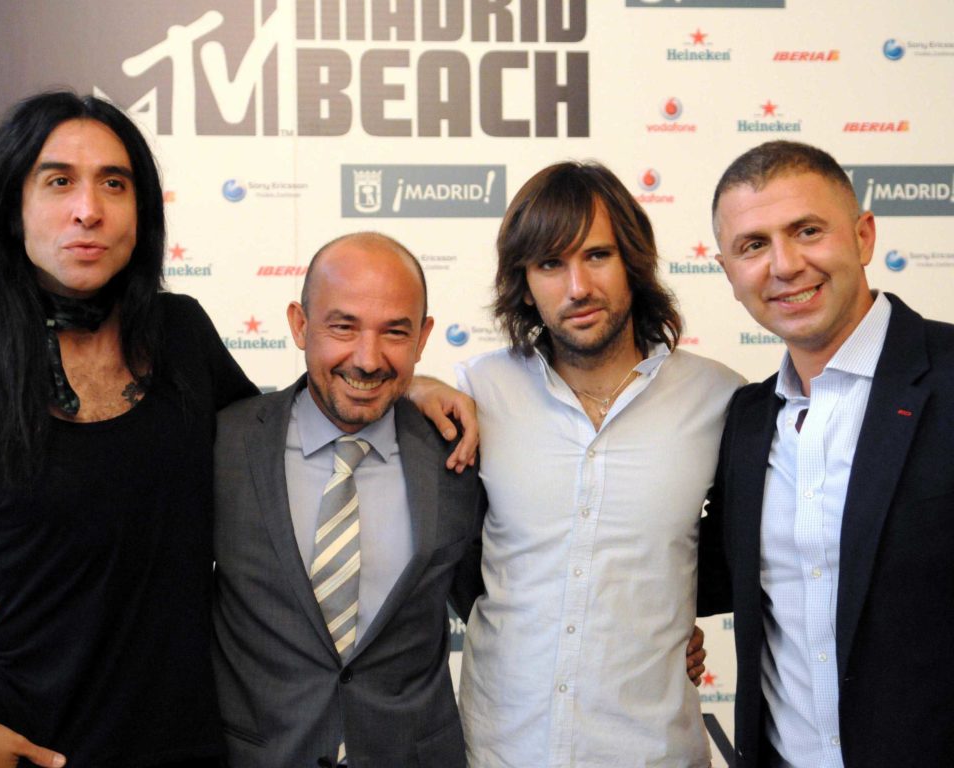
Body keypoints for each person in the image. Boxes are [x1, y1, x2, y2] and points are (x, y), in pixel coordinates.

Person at [0, 90, 258, 768]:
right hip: (25, 749)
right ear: (10, 208)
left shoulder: (182, 335)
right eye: (58, 182)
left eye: (114, 183)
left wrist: (400, 388)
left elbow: (285, 443)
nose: (89, 209)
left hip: (188, 749)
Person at [414, 161, 743, 767]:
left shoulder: (719, 399)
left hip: (652, 752)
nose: (578, 287)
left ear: (632, 262)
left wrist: (673, 618)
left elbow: (745, 557)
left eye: (597, 256)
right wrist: (413, 386)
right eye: (550, 264)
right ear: (524, 283)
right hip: (502, 749)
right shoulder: (480, 391)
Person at [701, 140, 954, 766]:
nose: (785, 265)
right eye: (753, 246)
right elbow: (681, 569)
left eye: (807, 231)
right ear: (728, 272)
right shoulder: (744, 421)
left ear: (863, 236)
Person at [209, 232, 485, 768]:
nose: (367, 358)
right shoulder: (223, 443)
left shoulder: (459, 453)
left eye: (395, 332)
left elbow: (504, 607)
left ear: (424, 337)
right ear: (299, 324)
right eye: (343, 326)